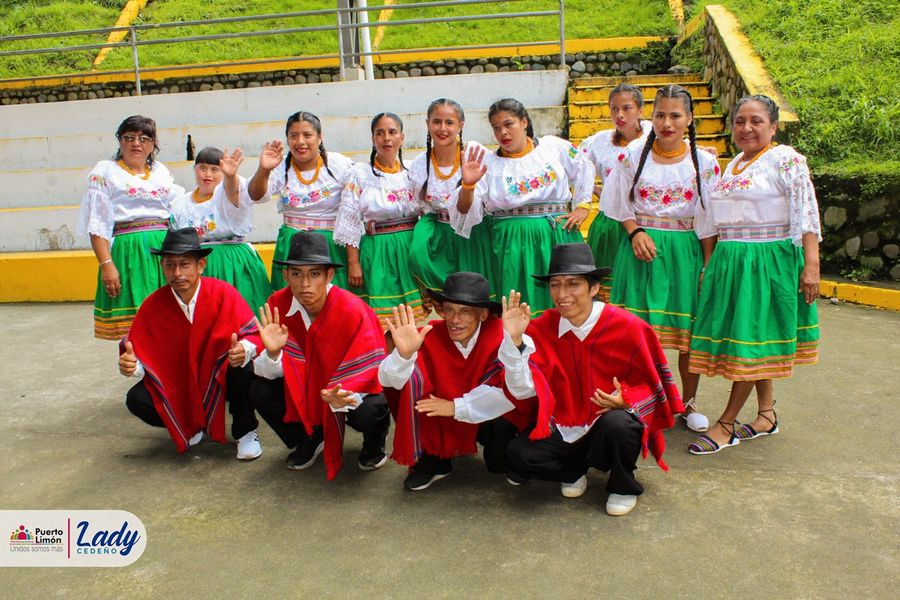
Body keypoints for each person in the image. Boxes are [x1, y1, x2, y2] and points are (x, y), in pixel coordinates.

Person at [499, 243, 683, 516]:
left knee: (620, 424)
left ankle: (622, 484)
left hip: (605, 425)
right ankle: (574, 469)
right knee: (518, 455)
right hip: (563, 425)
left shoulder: (629, 327)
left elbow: (651, 385)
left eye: (573, 284)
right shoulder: (540, 328)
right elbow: (523, 391)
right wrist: (515, 341)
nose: (562, 294)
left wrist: (627, 401)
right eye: (555, 285)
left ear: (594, 287)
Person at [687, 95, 821, 454]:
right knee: (754, 339)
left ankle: (726, 423)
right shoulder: (733, 165)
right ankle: (766, 415)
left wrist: (811, 266)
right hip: (733, 262)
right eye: (740, 121)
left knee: (749, 340)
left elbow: (806, 212)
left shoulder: (786, 159)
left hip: (766, 263)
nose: (746, 128)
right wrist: (711, 265)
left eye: (756, 121)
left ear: (773, 127)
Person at [601, 84, 721, 433]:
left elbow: (709, 221)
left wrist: (707, 266)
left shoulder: (705, 163)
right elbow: (618, 202)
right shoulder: (633, 154)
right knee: (632, 333)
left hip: (684, 253)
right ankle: (633, 399)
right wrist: (634, 232)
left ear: (690, 119)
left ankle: (688, 402)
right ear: (650, 117)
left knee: (686, 333)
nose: (667, 123)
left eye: (675, 116)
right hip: (639, 251)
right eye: (660, 115)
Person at [249, 231, 390, 479]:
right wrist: (272, 353)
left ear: (329, 275)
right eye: (296, 274)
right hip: (307, 388)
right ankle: (311, 436)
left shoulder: (353, 309)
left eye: (314, 274)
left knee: (370, 409)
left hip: (346, 390)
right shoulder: (277, 305)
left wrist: (343, 394)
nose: (305, 284)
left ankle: (374, 443)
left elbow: (372, 370)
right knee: (260, 390)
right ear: (285, 275)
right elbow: (266, 371)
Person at [379, 272, 536, 491]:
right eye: (449, 310)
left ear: (483, 314)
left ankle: (504, 452)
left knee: (499, 463)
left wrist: (456, 407)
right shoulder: (427, 334)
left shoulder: (505, 335)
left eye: (465, 311)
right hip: (439, 411)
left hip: (489, 415)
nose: (454, 319)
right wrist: (403, 356)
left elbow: (516, 392)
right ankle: (433, 459)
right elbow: (389, 382)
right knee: (417, 388)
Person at [118, 227, 263, 459]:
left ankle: (245, 431)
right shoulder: (153, 305)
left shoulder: (223, 294)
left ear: (200, 265)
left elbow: (253, 334)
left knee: (242, 367)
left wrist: (243, 348)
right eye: (170, 265)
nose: (177, 273)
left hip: (219, 377)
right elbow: (138, 352)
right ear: (163, 268)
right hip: (181, 380)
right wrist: (132, 365)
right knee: (137, 399)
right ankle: (189, 425)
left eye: (185, 264)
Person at [453, 98, 595, 316]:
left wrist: (583, 205)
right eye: (496, 128)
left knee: (562, 297)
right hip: (511, 243)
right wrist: (468, 185)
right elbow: (464, 211)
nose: (503, 132)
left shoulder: (552, 148)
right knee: (518, 301)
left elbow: (584, 166)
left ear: (524, 122)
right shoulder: (488, 164)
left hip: (555, 236)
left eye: (508, 124)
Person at [79, 115, 185, 340]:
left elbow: (178, 212)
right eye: (129, 137)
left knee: (170, 322)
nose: (136, 143)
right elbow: (98, 224)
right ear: (120, 141)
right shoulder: (105, 171)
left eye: (144, 138)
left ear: (153, 144)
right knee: (137, 328)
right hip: (129, 252)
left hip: (163, 251)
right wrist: (107, 265)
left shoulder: (160, 171)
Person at [334, 112, 426, 326]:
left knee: (413, 320)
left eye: (392, 132)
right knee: (383, 321)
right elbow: (349, 220)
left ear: (402, 137)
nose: (387, 138)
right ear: (373, 139)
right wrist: (353, 262)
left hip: (410, 250)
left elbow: (428, 210)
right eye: (380, 133)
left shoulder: (413, 172)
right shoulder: (360, 174)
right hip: (377, 251)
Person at [247, 112, 355, 291]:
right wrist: (263, 170)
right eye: (293, 136)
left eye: (307, 135)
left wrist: (353, 260)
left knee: (333, 301)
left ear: (319, 137)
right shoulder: (280, 167)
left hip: (330, 246)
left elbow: (353, 209)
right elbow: (255, 195)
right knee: (293, 301)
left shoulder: (340, 165)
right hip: (292, 245)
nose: (300, 142)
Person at [407, 99, 494, 298]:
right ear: (427, 123)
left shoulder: (474, 154)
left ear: (460, 125)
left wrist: (468, 185)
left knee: (472, 295)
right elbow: (421, 206)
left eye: (449, 122)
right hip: (440, 236)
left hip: (472, 234)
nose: (442, 128)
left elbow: (465, 208)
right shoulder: (420, 163)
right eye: (436, 122)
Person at [170, 146, 270, 311]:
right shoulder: (181, 203)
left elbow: (234, 193)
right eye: (202, 168)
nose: (208, 174)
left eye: (214, 169)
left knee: (241, 310)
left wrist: (230, 177)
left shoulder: (226, 192)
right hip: (198, 263)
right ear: (195, 169)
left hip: (233, 260)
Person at [579, 83, 652, 300]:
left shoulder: (654, 138)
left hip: (642, 223)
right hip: (609, 224)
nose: (620, 115)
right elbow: (576, 168)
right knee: (607, 292)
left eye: (627, 108)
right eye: (614, 108)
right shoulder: (599, 142)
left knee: (638, 288)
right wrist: (597, 190)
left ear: (640, 110)